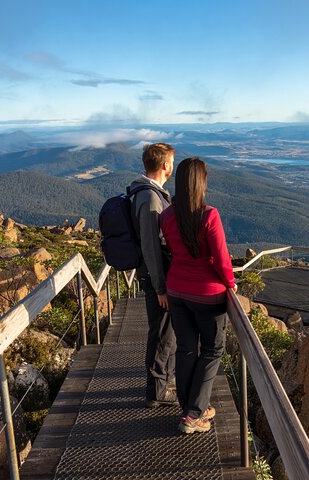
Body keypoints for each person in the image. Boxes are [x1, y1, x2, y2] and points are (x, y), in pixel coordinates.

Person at [159, 157, 237, 434]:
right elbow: (221, 259)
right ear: (200, 182)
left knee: (186, 349)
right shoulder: (209, 215)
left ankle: (191, 409)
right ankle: (193, 414)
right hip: (208, 296)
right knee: (212, 350)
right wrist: (230, 283)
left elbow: (172, 251)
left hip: (177, 292)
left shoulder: (167, 216)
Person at [130, 143, 177, 408]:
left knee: (164, 332)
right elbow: (150, 245)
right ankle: (158, 390)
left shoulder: (148, 193)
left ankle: (160, 384)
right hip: (156, 278)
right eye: (172, 162)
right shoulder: (149, 199)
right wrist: (160, 287)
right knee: (162, 334)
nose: (172, 166)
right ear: (164, 165)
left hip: (156, 276)